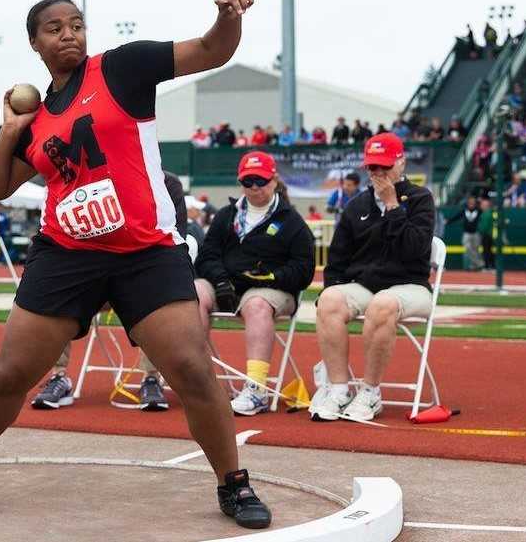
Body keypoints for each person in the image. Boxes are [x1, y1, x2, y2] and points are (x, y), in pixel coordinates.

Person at [0, 0, 271, 529]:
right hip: (67, 254)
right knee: (11, 374)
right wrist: (11, 129)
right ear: (35, 43)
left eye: (76, 24)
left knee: (192, 368)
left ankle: (233, 483)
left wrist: (228, 17)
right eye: (54, 29)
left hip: (146, 250)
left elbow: (212, 51)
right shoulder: (34, 121)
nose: (69, 35)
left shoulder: (123, 68)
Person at [31, 171, 188, 413]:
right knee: (51, 297)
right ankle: (59, 376)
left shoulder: (168, 184)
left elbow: (175, 236)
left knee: (157, 297)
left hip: (139, 274)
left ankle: (151, 378)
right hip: (90, 274)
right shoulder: (84, 179)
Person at [310, 132, 434, 422]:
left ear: (401, 163)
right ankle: (339, 388)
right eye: (373, 167)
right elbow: (337, 260)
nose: (379, 173)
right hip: (367, 285)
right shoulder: (356, 206)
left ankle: (370, 391)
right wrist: (335, 291)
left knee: (382, 304)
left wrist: (392, 206)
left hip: (411, 285)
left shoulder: (420, 199)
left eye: (385, 166)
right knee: (328, 299)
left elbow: (415, 249)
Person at [194, 151, 315, 416]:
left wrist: (274, 277)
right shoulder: (226, 216)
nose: (254, 187)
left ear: (273, 181)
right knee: (194, 293)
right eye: (247, 181)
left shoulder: (291, 221)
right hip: (227, 284)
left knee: (258, 304)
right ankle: (198, 380)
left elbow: (304, 268)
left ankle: (257, 388)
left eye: (260, 180)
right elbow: (207, 257)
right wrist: (221, 281)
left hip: (272, 291)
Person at [446, 196, 483, 271]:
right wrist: (448, 221)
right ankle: (479, 263)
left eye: (473, 202)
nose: (471, 204)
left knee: (475, 249)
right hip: (467, 234)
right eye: (470, 202)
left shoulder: (479, 211)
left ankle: (474, 265)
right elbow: (457, 217)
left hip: (475, 234)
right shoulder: (464, 211)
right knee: (468, 248)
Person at [478, 197, 495, 270]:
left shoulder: (486, 214)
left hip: (486, 235)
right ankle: (490, 266)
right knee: (488, 251)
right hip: (488, 235)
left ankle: (488, 266)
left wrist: (480, 231)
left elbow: (484, 226)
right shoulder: (488, 213)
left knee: (487, 251)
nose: (481, 206)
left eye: (483, 205)